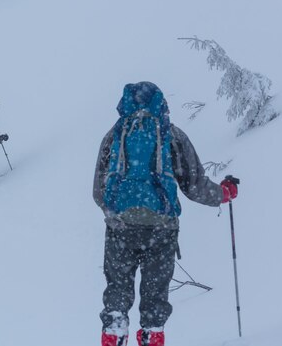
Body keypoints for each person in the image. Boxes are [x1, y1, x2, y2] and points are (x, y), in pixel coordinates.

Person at [92, 82, 239, 346]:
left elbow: (98, 191)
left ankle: (114, 335)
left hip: (120, 229)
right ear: (161, 106)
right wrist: (224, 194)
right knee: (155, 298)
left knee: (117, 295)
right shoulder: (171, 135)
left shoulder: (114, 135)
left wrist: (117, 213)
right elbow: (194, 187)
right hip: (161, 229)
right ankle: (152, 335)